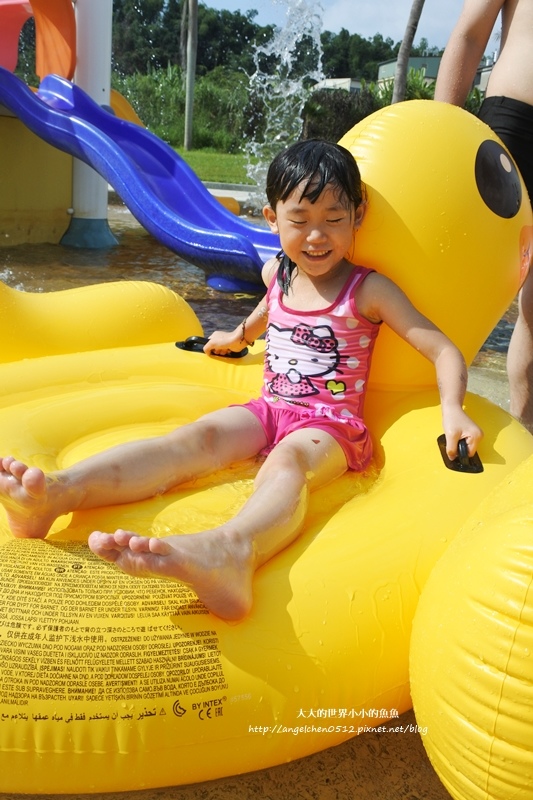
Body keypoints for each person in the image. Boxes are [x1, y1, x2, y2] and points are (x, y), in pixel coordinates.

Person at [0, 140, 483, 621]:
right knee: (196, 437)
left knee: (291, 460)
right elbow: (267, 312)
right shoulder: (279, 273)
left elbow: (442, 349)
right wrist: (236, 336)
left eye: (334, 219)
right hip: (269, 408)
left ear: (358, 216)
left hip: (330, 426)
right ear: (272, 219)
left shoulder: (368, 290)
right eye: (300, 221)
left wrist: (453, 410)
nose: (317, 237)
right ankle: (60, 492)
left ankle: (233, 550)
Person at [434, 0, 533, 430]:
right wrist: (443, 131)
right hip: (515, 124)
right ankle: (434, 406)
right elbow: (470, 35)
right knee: (457, 274)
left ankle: (524, 432)